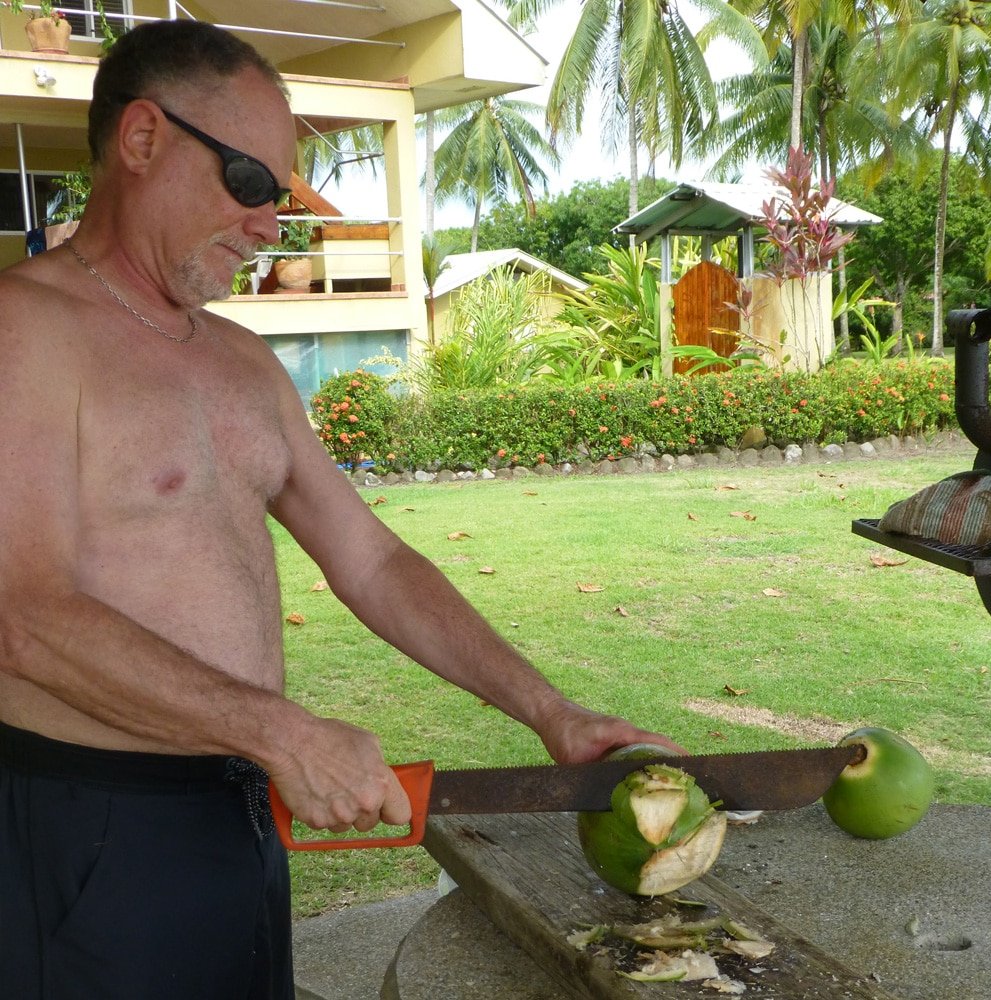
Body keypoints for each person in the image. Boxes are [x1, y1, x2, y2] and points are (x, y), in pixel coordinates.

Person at [0, 20, 681, 1000]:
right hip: (90, 825)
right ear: (144, 138)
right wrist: (281, 731)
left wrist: (550, 712)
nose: (270, 224)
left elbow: (370, 560)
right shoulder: (27, 329)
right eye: (249, 182)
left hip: (241, 808)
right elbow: (23, 616)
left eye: (279, 194)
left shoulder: (242, 363)